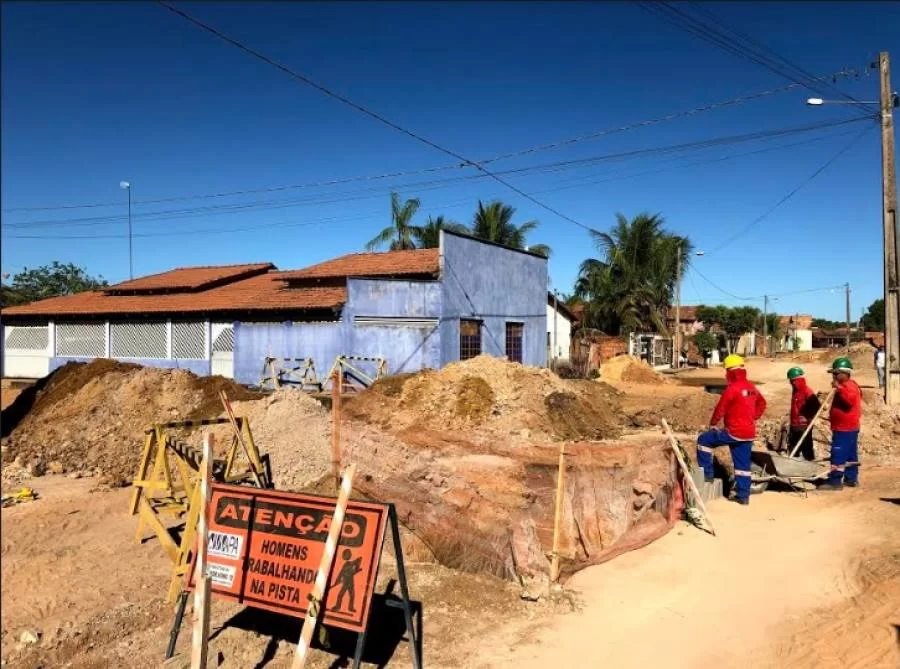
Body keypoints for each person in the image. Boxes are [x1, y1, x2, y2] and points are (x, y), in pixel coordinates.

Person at [696, 354, 768, 505]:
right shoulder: (751, 388)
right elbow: (762, 403)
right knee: (743, 466)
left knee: (704, 440)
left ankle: (707, 475)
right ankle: (743, 496)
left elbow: (721, 407)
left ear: (730, 372)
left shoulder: (732, 389)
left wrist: (713, 423)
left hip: (733, 432)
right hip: (748, 433)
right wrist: (753, 417)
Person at [819, 357, 862, 490]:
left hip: (845, 428)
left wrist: (839, 388)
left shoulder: (849, 387)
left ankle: (835, 481)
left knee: (838, 453)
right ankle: (851, 478)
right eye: (833, 374)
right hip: (847, 427)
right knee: (850, 454)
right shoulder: (846, 386)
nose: (834, 376)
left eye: (836, 374)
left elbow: (849, 401)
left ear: (845, 373)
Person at [786, 367, 821, 461]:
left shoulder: (807, 391)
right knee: (793, 446)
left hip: (803, 425)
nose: (790, 383)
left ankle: (810, 464)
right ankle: (794, 464)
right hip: (795, 424)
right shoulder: (796, 391)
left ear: (794, 381)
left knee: (806, 446)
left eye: (791, 381)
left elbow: (817, 406)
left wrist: (806, 417)